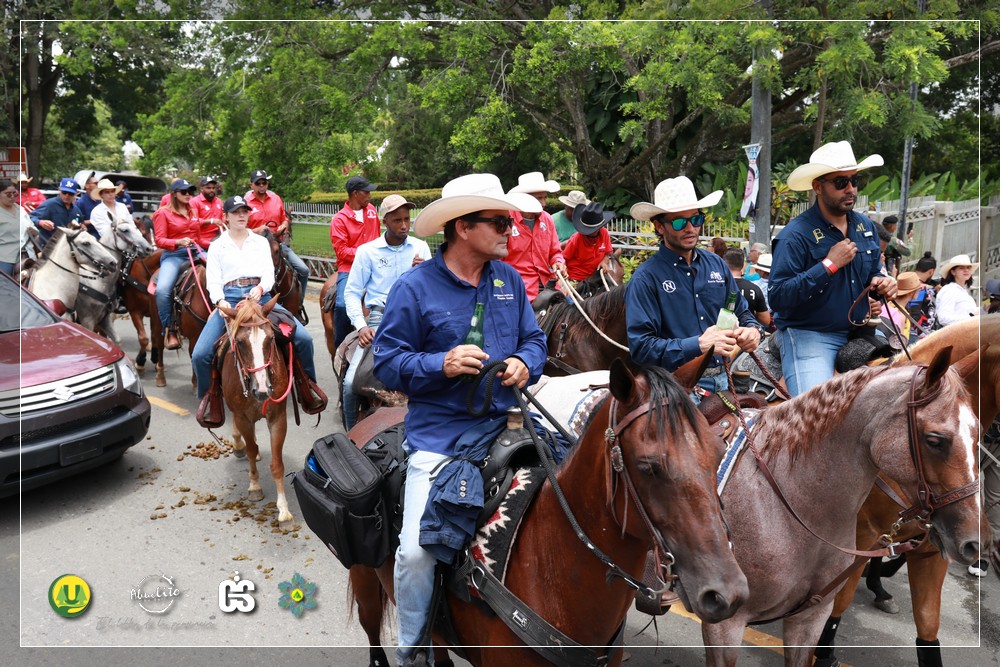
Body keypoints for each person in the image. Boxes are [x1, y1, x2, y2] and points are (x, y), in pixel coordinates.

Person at [372, 173, 547, 666]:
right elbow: (386, 362)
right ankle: (412, 653)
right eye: (499, 221)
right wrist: (439, 363)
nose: (510, 229)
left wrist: (525, 363)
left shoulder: (509, 280)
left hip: (512, 427)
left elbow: (535, 340)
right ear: (462, 227)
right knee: (414, 555)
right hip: (442, 439)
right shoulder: (414, 287)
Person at [769, 141, 897, 396]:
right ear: (818, 186)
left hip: (862, 332)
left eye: (854, 180)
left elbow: (872, 271)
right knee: (814, 413)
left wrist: (883, 281)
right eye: (840, 182)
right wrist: (828, 265)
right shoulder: (795, 234)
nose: (850, 189)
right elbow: (778, 296)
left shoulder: (865, 226)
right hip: (810, 335)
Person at [626, 176, 764, 396]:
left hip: (724, 378)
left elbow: (741, 310)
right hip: (674, 387)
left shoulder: (717, 265)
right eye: (680, 222)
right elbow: (641, 348)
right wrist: (698, 344)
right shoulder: (646, 278)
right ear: (659, 226)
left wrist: (753, 330)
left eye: (696, 219)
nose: (690, 228)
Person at [192, 195, 318, 406]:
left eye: (244, 212)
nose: (241, 216)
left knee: (304, 339)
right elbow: (213, 281)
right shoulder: (217, 246)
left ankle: (308, 387)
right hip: (230, 301)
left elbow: (268, 274)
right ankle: (210, 400)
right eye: (236, 212)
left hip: (260, 298)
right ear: (226, 217)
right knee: (200, 354)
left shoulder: (260, 242)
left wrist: (260, 288)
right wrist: (220, 301)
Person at [340, 194, 431, 430]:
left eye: (406, 220)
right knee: (351, 383)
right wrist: (361, 326)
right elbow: (351, 293)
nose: (403, 226)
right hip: (381, 319)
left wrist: (425, 274)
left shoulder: (420, 247)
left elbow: (434, 291)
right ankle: (351, 435)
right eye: (397, 220)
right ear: (385, 222)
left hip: (417, 320)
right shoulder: (367, 251)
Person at [153, 178, 212, 350]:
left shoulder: (192, 211)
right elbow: (159, 240)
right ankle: (170, 328)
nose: (188, 195)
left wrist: (215, 245)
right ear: (174, 194)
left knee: (224, 272)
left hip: (196, 250)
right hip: (174, 255)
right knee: (163, 290)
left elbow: (198, 237)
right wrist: (178, 242)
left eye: (190, 192)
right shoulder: (162, 213)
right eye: (183, 192)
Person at [329, 175, 380, 349]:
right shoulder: (339, 219)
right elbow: (342, 252)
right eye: (367, 192)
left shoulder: (372, 210)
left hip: (376, 265)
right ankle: (340, 346)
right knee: (343, 305)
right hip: (349, 268)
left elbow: (378, 238)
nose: (370, 195)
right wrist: (366, 254)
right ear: (355, 193)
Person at [243, 170, 310, 304]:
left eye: (264, 182)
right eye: (258, 183)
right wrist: (256, 230)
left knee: (303, 270)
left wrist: (284, 225)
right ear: (251, 185)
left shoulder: (276, 198)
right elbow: (240, 230)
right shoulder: (245, 203)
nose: (262, 185)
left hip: (277, 245)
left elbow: (284, 218)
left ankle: (298, 304)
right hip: (254, 247)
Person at [503, 171, 566, 301]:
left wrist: (558, 262)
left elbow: (555, 252)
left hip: (548, 285)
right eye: (538, 198)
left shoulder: (547, 219)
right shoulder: (506, 220)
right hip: (516, 288)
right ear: (523, 197)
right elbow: (496, 260)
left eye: (544, 197)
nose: (544, 203)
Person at [561, 201, 615, 282]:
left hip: (596, 277)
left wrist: (604, 262)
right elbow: (563, 258)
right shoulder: (576, 239)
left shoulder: (604, 233)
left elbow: (607, 253)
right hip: (575, 279)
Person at [28, 177, 83, 247]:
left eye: (70, 193)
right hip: (48, 247)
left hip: (68, 247)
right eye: (64, 192)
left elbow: (82, 223)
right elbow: (30, 218)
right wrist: (40, 222)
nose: (67, 195)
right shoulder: (49, 204)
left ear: (75, 194)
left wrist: (82, 227)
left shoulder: (76, 210)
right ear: (59, 190)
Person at [724, 247, 771, 328]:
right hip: (746, 334)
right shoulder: (754, 289)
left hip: (720, 334)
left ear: (724, 264)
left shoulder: (717, 287)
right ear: (742, 266)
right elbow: (766, 320)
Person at [935, 254, 979, 327]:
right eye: (961, 268)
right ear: (953, 272)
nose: (966, 270)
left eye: (968, 267)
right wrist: (970, 318)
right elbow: (943, 318)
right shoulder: (949, 290)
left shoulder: (962, 290)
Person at [881, 271, 922, 347]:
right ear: (911, 293)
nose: (919, 291)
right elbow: (901, 345)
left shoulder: (886, 305)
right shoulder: (901, 315)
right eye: (918, 290)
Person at [0, 179, 31, 275]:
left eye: (15, 194)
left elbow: (32, 227)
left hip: (25, 254)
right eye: (8, 194)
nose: (12, 197)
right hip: (5, 257)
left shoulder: (21, 210)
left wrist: (33, 231)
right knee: (4, 283)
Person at [76, 172, 101, 239]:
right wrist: (93, 221)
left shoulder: (100, 200)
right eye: (95, 183)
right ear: (87, 186)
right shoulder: (80, 203)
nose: (98, 185)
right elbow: (77, 222)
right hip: (89, 236)